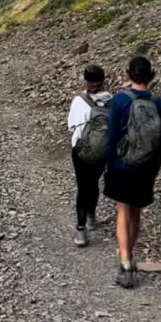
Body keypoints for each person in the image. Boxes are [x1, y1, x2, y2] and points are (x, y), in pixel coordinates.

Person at [104, 55, 161, 288]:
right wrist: (155, 166)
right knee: (137, 213)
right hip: (146, 166)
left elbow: (112, 137)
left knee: (123, 211)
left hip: (122, 164)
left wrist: (109, 163)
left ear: (130, 74)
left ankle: (125, 262)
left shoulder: (120, 100)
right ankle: (130, 254)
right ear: (150, 75)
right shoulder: (158, 103)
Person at [68, 64, 112, 247]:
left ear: (85, 81)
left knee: (82, 187)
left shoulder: (79, 101)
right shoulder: (112, 100)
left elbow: (71, 126)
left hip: (81, 152)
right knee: (93, 183)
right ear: (103, 81)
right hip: (103, 151)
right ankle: (92, 218)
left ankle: (81, 231)